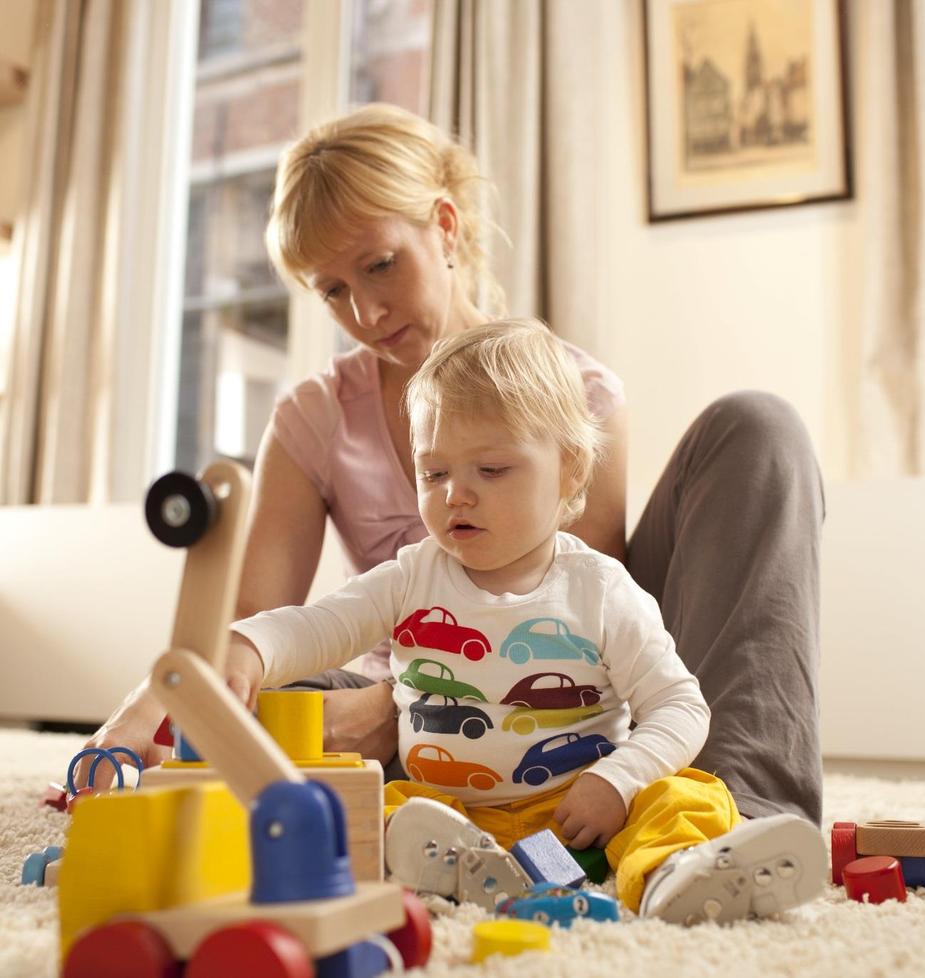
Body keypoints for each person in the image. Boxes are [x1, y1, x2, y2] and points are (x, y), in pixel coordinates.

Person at [80, 103, 823, 831]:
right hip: (410, 709)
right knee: (265, 698)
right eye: (332, 290)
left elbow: (570, 607)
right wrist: (158, 700)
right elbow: (253, 622)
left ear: (443, 227)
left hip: (566, 696)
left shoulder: (581, 392)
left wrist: (398, 705)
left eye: (379, 266)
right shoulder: (314, 413)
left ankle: (739, 816)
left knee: (758, 428)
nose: (366, 312)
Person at [224, 318, 825, 924]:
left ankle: (671, 876)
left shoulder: (600, 589)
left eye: (490, 471)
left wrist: (618, 780)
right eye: (433, 473)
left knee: (687, 796)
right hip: (455, 812)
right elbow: (319, 625)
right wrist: (249, 647)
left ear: (568, 471)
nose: (456, 493)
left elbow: (681, 708)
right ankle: (470, 871)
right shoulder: (411, 576)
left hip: (578, 809)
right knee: (387, 804)